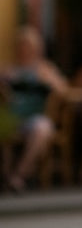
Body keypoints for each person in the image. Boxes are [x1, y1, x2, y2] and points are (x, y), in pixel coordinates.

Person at [1, 26, 68, 192]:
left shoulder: (44, 69)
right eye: (22, 46)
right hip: (11, 117)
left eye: (29, 47)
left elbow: (64, 90)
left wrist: (48, 80)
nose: (25, 50)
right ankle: (5, 174)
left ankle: (19, 175)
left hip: (35, 117)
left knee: (42, 129)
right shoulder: (10, 69)